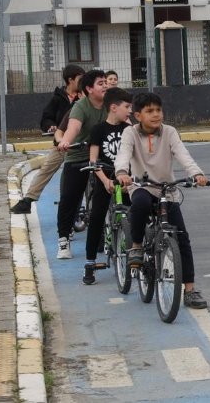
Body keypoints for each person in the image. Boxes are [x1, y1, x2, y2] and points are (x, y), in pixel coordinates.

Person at [114, 93, 210, 309]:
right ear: (138, 115)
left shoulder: (169, 132)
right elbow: (123, 154)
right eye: (149, 111)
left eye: (158, 110)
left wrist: (196, 174)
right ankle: (137, 246)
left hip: (167, 189)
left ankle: (190, 290)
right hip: (141, 185)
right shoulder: (130, 133)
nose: (156, 114)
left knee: (182, 238)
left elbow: (183, 155)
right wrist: (121, 172)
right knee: (140, 204)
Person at [11, 64, 85, 214]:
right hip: (61, 143)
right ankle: (28, 200)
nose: (84, 82)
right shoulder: (58, 98)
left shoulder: (86, 97)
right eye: (80, 79)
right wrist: (51, 126)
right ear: (70, 80)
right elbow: (46, 119)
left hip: (83, 143)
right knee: (46, 169)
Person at [55, 70, 108, 259]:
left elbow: (125, 122)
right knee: (69, 197)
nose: (105, 86)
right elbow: (73, 127)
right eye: (100, 83)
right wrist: (65, 142)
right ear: (89, 88)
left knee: (114, 192)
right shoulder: (80, 107)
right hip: (78, 155)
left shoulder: (112, 104)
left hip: (104, 156)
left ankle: (110, 234)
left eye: (106, 82)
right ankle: (63, 240)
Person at [82, 88, 132, 285]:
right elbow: (93, 161)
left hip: (126, 179)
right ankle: (90, 262)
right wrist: (105, 181)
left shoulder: (130, 130)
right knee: (96, 218)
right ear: (113, 107)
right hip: (105, 177)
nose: (130, 111)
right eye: (127, 107)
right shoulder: (98, 130)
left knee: (135, 213)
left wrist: (128, 178)